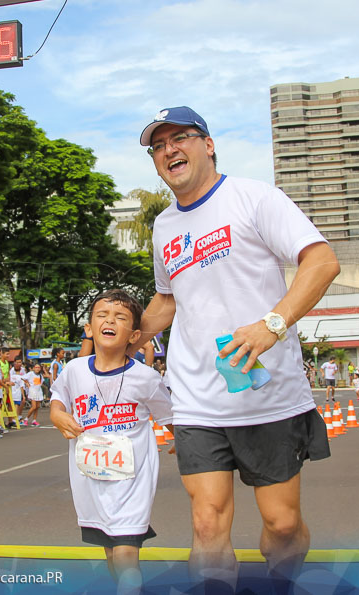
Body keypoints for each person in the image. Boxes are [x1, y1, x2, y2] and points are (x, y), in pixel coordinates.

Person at [130, 106, 337, 586]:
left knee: (281, 525)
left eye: (179, 138)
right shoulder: (164, 227)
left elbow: (321, 261)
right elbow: (167, 300)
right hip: (197, 398)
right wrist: (119, 341)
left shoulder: (253, 198)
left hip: (269, 396)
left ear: (208, 144)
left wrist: (272, 325)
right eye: (157, 146)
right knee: (206, 521)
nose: (168, 151)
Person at [50, 289, 175, 593]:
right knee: (110, 551)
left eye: (120, 318)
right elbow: (57, 401)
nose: (110, 321)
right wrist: (57, 416)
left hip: (131, 482)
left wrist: (184, 442)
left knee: (125, 553)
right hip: (90, 481)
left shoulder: (146, 378)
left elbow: (169, 416)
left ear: (134, 335)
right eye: (102, 316)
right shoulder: (74, 370)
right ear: (89, 329)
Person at [25, 362, 45, 426]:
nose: (37, 369)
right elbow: (23, 378)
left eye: (38, 367)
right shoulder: (30, 374)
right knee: (34, 407)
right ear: (33, 368)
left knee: (37, 407)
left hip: (38, 391)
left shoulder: (40, 375)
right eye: (36, 367)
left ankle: (34, 420)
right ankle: (26, 419)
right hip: (32, 391)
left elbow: (41, 382)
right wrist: (27, 384)